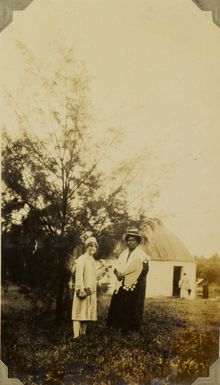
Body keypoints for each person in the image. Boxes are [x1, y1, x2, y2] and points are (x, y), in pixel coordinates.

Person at [106, 228, 150, 333]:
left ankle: (131, 328)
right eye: (129, 240)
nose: (130, 242)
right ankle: (118, 325)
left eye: (133, 240)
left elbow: (144, 271)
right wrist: (117, 274)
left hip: (135, 285)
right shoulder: (123, 254)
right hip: (121, 283)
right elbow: (116, 266)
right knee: (120, 303)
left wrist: (131, 280)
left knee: (132, 305)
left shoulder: (141, 255)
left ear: (137, 242)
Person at [72, 236, 103, 338]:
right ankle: (76, 337)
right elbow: (79, 275)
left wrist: (103, 272)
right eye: (90, 246)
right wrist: (80, 289)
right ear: (86, 247)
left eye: (94, 246)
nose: (92, 248)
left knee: (86, 314)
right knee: (78, 313)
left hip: (90, 291)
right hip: (83, 289)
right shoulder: (82, 259)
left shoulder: (93, 260)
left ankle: (83, 335)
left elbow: (95, 277)